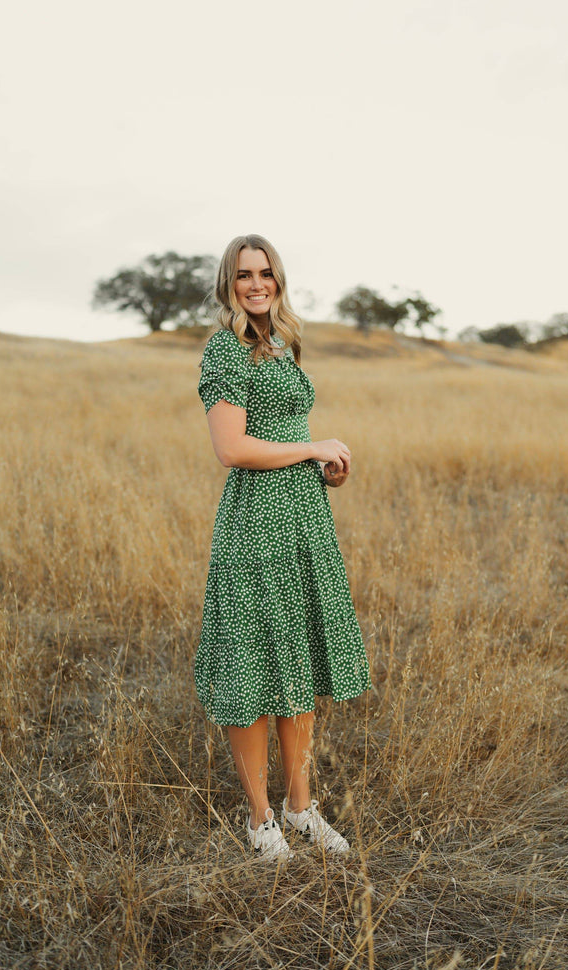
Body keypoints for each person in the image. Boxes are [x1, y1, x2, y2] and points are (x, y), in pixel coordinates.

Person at [195, 234, 371, 862]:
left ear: (278, 278)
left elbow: (288, 432)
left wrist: (328, 469)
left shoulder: (284, 342)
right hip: (255, 525)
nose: (256, 283)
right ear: (229, 282)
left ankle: (301, 809)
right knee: (252, 669)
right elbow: (233, 449)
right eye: (244, 274)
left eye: (265, 273)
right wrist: (313, 447)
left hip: (302, 515)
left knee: (297, 663)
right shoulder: (225, 351)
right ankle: (261, 819)